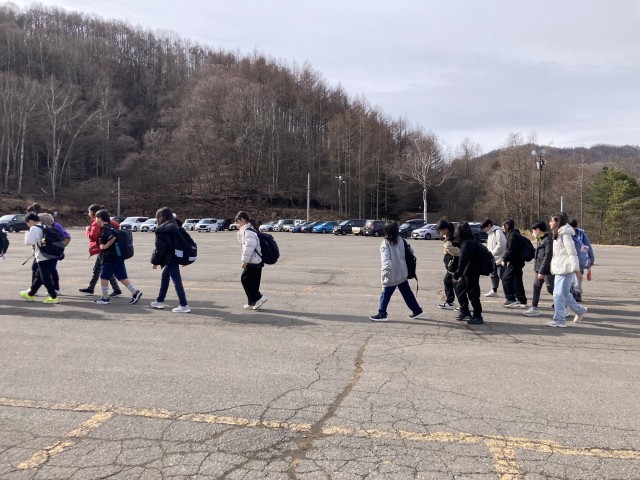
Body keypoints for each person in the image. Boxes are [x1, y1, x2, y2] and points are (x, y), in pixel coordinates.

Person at [369, 221, 426, 322]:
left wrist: (385, 275)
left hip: (391, 274)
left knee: (385, 295)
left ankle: (382, 314)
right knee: (407, 293)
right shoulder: (402, 240)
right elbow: (411, 251)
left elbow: (386, 261)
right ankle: (417, 310)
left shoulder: (385, 243)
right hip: (402, 273)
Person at [92, 209, 142, 305]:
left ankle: (105, 298)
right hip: (118, 256)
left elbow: (112, 238)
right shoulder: (111, 227)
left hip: (109, 258)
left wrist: (105, 246)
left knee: (104, 277)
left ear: (100, 218)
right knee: (122, 277)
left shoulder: (105, 229)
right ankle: (135, 292)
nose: (95, 220)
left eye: (96, 218)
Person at [547, 212, 587, 327]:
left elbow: (572, 253)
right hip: (559, 268)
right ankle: (580, 310)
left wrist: (577, 271)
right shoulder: (558, 234)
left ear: (558, 222)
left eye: (552, 221)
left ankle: (559, 320)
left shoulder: (566, 235)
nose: (549, 223)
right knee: (565, 294)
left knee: (558, 294)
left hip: (565, 268)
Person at [150, 207, 191, 313]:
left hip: (170, 258)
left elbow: (160, 248)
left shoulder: (162, 230)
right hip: (176, 256)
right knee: (165, 277)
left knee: (177, 281)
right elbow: (187, 241)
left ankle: (184, 305)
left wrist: (154, 262)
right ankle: (160, 300)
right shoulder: (177, 226)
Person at [26, 203, 70, 295]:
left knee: (42, 272)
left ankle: (50, 293)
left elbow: (33, 240)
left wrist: (58, 247)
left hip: (47, 253)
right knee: (45, 271)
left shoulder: (39, 226)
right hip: (51, 251)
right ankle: (37, 290)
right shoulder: (54, 224)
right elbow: (66, 236)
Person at [79, 204, 122, 297]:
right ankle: (91, 288)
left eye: (89, 212)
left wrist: (87, 231)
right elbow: (118, 227)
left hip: (103, 249)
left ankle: (116, 290)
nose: (88, 214)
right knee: (98, 269)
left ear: (94, 214)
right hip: (108, 249)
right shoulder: (110, 221)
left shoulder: (96, 223)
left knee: (105, 270)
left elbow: (93, 236)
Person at [19, 212, 59, 304]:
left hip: (42, 256)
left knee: (45, 278)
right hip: (51, 255)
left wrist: (26, 234)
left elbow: (28, 242)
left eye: (27, 223)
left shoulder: (34, 228)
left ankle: (53, 297)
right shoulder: (44, 225)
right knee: (39, 276)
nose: (28, 225)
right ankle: (30, 294)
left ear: (30, 221)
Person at [452, 222, 484, 324]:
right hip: (468, 272)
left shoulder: (467, 244)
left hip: (471, 272)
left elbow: (462, 262)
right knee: (459, 289)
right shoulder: (468, 242)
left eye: (457, 230)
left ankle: (478, 316)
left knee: (473, 294)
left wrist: (456, 275)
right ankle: (465, 311)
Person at [235, 211, 268, 310]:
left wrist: (244, 261)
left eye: (237, 221)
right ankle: (252, 302)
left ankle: (259, 297)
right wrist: (240, 231)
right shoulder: (248, 230)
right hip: (255, 260)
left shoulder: (249, 232)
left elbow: (249, 247)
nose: (236, 224)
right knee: (253, 282)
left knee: (245, 280)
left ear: (242, 220)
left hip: (253, 261)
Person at [523, 220, 554, 317]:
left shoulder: (548, 240)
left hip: (546, 270)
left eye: (533, 230)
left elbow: (547, 257)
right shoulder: (540, 239)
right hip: (539, 269)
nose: (532, 232)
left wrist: (542, 271)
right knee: (536, 288)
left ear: (537, 230)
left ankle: (564, 305)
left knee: (551, 289)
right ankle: (534, 308)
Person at [501, 219, 528, 308]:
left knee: (506, 278)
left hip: (515, 261)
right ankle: (522, 300)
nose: (502, 227)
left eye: (503, 225)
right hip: (518, 261)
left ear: (507, 225)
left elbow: (511, 250)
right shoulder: (515, 234)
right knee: (517, 280)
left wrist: (504, 259)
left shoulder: (512, 235)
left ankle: (511, 299)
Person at [568, 218, 595, 302]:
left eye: (573, 228)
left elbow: (588, 246)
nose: (572, 229)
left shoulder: (581, 234)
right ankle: (571, 292)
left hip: (580, 259)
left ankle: (577, 293)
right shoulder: (566, 234)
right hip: (569, 258)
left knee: (578, 276)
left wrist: (591, 258)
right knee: (569, 276)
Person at [436, 220, 460, 310]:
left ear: (446, 229)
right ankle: (450, 302)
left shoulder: (451, 238)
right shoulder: (449, 236)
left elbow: (455, 252)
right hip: (451, 265)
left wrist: (448, 247)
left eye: (441, 230)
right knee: (447, 281)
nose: (440, 232)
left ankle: (463, 304)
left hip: (454, 265)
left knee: (456, 284)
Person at [481, 218, 506, 298]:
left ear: (489, 225)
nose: (484, 230)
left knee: (502, 276)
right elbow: (490, 246)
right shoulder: (490, 233)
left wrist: (492, 253)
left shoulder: (497, 231)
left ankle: (510, 292)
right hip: (493, 258)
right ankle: (494, 290)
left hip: (500, 258)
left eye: (484, 228)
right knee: (493, 274)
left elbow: (502, 244)